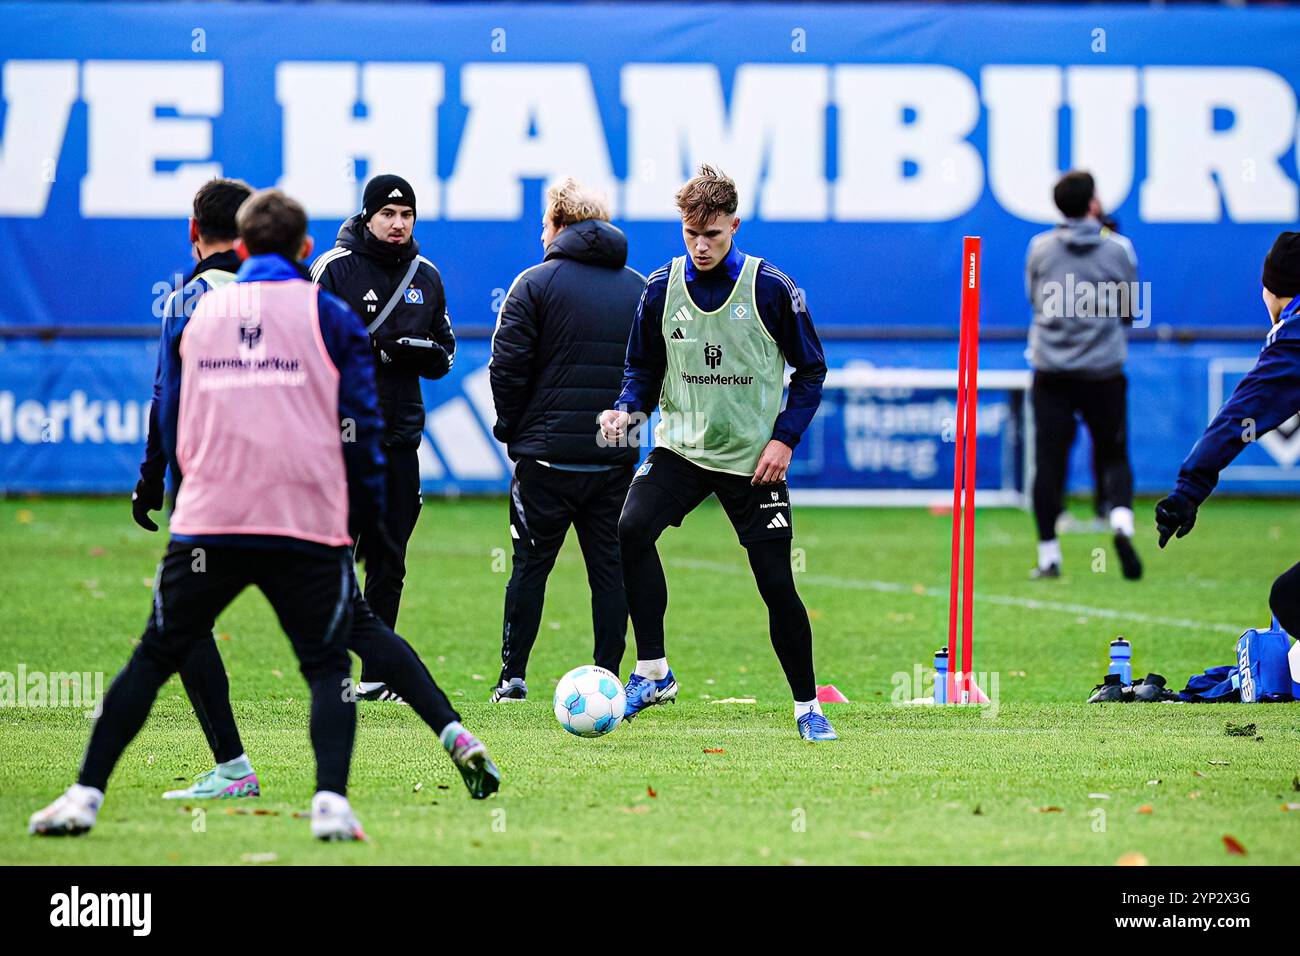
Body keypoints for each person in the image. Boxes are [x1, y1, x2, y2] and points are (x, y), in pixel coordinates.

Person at [29, 190, 496, 842]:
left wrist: (166, 484)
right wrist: (372, 523)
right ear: (306, 250)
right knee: (333, 663)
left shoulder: (200, 313)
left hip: (211, 518)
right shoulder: (329, 317)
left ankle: (83, 796)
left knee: (155, 652)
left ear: (241, 247)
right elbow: (359, 423)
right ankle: (337, 800)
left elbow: (170, 413)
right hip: (302, 516)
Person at [599, 164, 837, 742]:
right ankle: (653, 671)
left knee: (777, 583)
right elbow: (642, 368)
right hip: (682, 448)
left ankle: (807, 707)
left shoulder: (772, 289)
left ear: (735, 224)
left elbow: (811, 371)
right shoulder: (660, 289)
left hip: (754, 459)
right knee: (630, 530)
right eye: (691, 234)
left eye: (712, 235)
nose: (701, 246)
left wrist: (784, 439)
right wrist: (626, 408)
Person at [487, 178, 645, 701]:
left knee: (530, 567)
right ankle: (610, 677)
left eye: (544, 225)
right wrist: (632, 431)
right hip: (614, 460)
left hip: (546, 461)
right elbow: (655, 371)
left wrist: (515, 431)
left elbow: (505, 370)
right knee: (611, 570)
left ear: (557, 223)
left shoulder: (532, 284)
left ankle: (512, 678)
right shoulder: (640, 287)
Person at [311, 174, 455, 701]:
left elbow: (446, 352)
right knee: (335, 554)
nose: (398, 224)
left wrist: (416, 351)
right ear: (368, 215)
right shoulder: (333, 269)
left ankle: (374, 674)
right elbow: (306, 348)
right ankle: (329, 668)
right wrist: (379, 348)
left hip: (399, 437)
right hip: (339, 439)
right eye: (388, 214)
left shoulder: (427, 275)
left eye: (407, 215)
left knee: (390, 555)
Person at [1156, 232, 1300, 633]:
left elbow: (1241, 416)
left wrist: (1188, 490)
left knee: (1291, 600)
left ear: (1272, 291)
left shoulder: (1294, 336)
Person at [1025, 170, 1142, 581]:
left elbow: (1035, 300)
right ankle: (1122, 524)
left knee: (1048, 462)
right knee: (1113, 453)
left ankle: (1048, 555)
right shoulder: (1119, 249)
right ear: (1093, 203)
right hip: (1103, 371)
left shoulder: (1040, 249)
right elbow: (1130, 311)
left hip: (1052, 370)